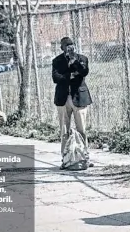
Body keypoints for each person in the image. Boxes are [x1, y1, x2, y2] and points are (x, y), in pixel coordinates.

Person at [52, 37, 93, 169]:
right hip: (63, 99)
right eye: (66, 46)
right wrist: (69, 76)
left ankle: (85, 157)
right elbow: (55, 77)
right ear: (62, 48)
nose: (69, 48)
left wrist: (74, 61)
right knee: (64, 130)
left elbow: (84, 72)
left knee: (82, 129)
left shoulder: (82, 58)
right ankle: (65, 158)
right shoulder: (57, 61)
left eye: (71, 45)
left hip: (79, 97)